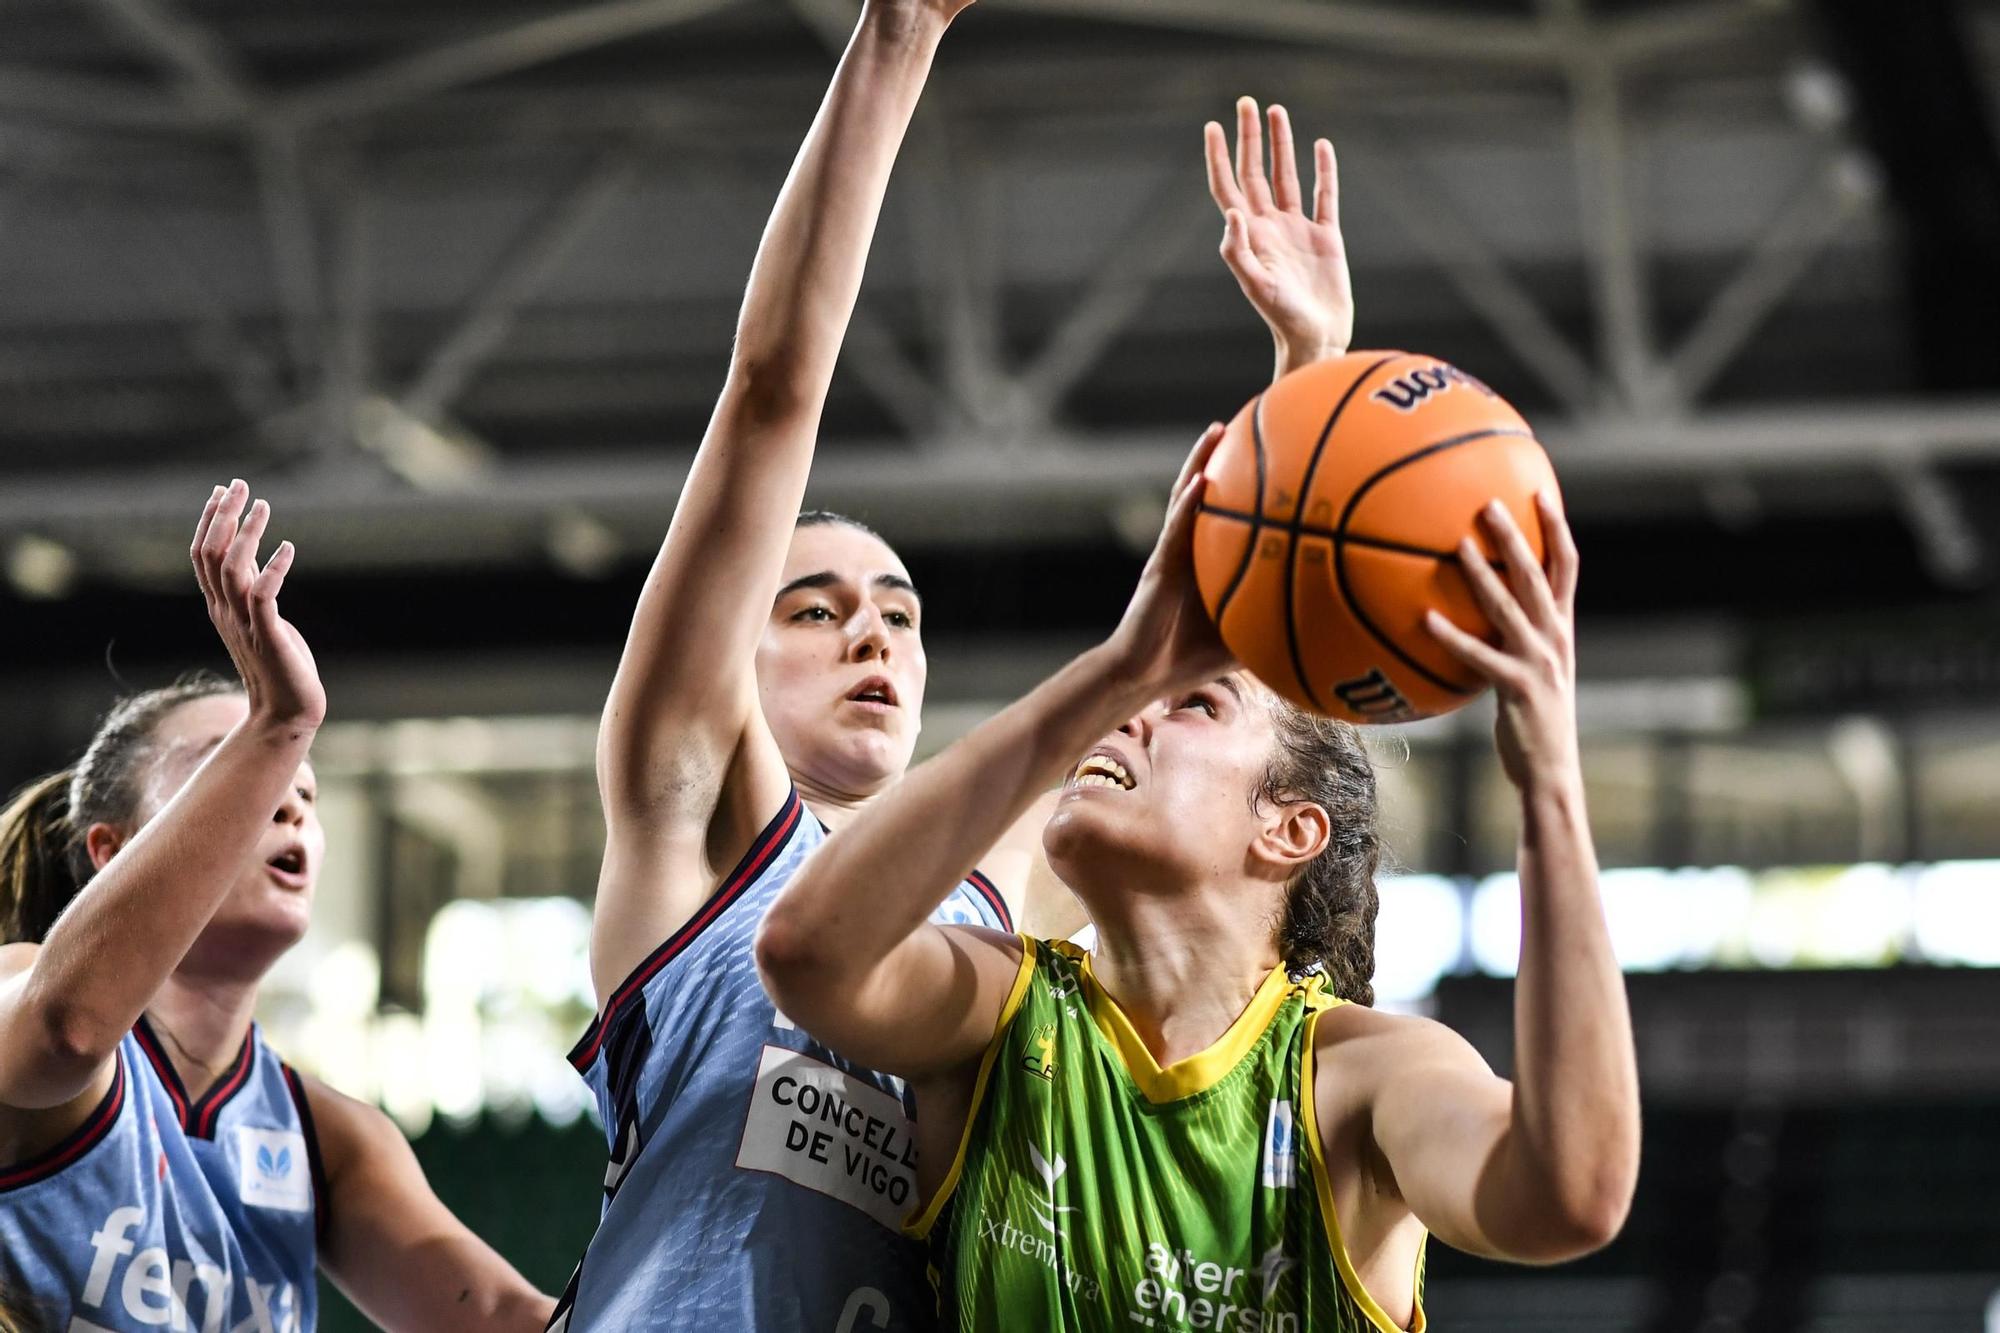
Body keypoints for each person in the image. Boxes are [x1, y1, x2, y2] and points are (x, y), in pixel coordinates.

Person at [754, 110, 1642, 1331]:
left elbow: (1571, 1197)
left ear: (1288, 829)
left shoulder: (1361, 1078)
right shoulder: (1000, 1016)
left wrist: (1547, 780)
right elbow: (804, 952)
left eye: (1194, 704)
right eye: (1133, 708)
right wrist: (1122, 664)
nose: (1122, 727)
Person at [545, 1, 1072, 1328]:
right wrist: (898, 37)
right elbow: (772, 388)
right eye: (817, 607)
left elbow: (1233, 734)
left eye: (897, 613)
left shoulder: (990, 887)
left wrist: (1309, 376)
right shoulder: (702, 821)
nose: (872, 634)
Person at [0, 483, 554, 1332]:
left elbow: (506, 1318)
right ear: (112, 851)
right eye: (231, 765)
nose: (289, 797)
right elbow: (68, 1027)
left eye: (304, 787)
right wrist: (278, 723)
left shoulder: (325, 1133)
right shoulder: (23, 982)